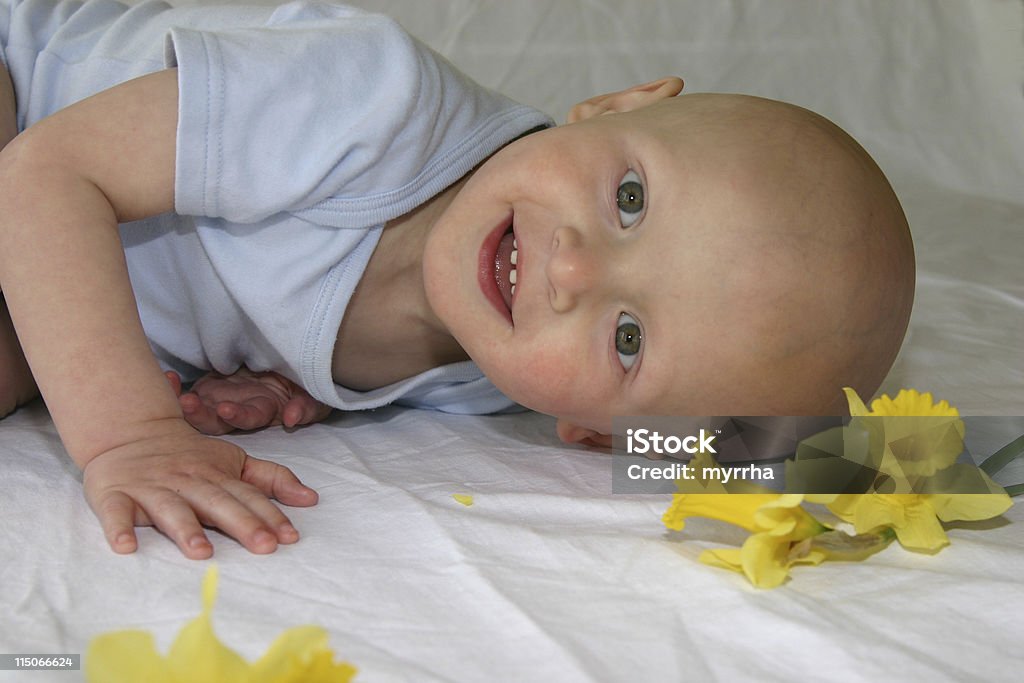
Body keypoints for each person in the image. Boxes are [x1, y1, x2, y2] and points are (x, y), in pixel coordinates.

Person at [0, 0, 915, 559]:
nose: (570, 267)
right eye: (629, 198)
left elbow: (734, 447)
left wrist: (265, 368)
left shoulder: (490, 373)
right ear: (617, 104)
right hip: (28, 112)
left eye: (627, 337)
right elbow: (43, 178)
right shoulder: (367, 99)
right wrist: (133, 434)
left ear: (595, 428)